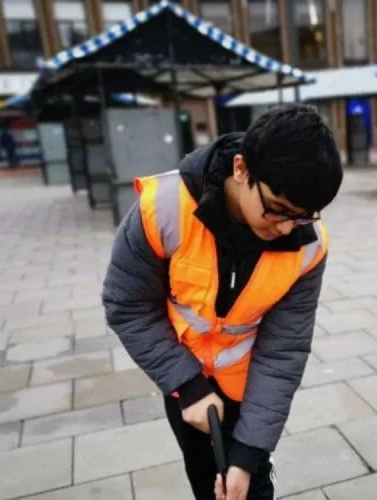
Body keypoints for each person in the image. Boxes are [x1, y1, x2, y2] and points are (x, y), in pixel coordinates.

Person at [101, 104, 343, 500]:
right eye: (277, 210)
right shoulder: (164, 208)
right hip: (182, 377)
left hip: (250, 388)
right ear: (242, 169)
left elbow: (284, 349)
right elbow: (127, 305)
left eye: (302, 217)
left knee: (252, 487)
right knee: (206, 484)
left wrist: (248, 452)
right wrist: (187, 386)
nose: (286, 228)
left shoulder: (308, 245)